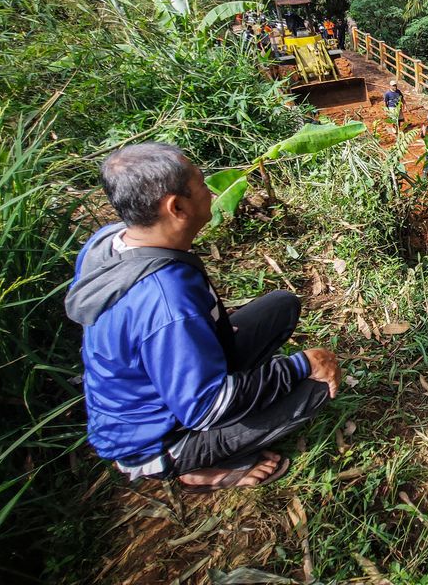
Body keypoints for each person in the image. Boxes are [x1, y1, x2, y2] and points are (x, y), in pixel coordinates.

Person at [64, 143, 341, 492]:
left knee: (281, 305)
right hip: (159, 435)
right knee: (313, 388)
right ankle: (193, 466)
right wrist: (302, 365)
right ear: (176, 207)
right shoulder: (165, 301)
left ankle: (219, 397)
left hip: (165, 378)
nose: (211, 191)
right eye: (200, 185)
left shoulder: (109, 240)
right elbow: (207, 407)